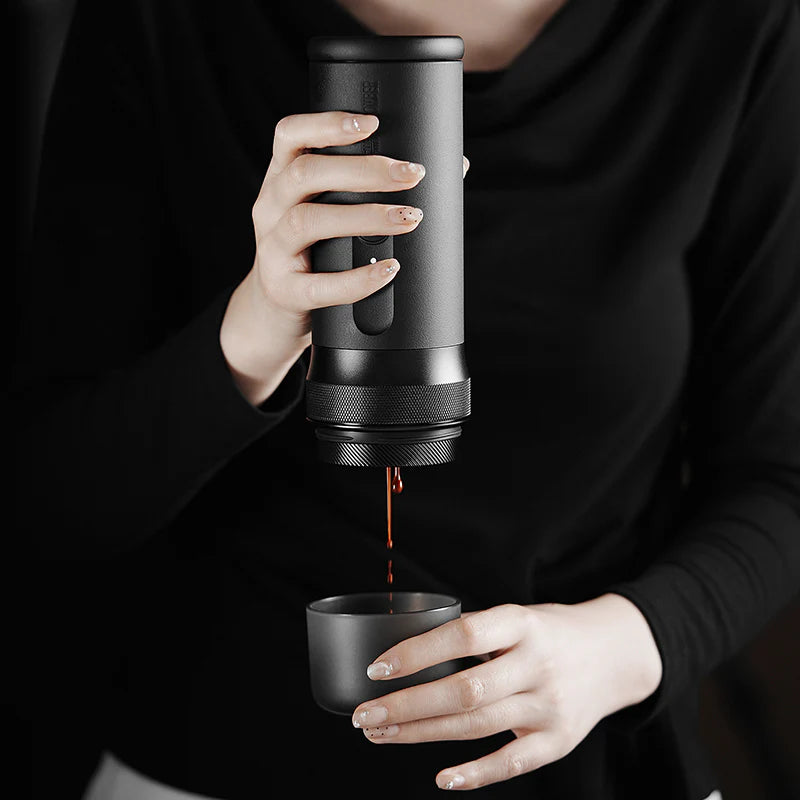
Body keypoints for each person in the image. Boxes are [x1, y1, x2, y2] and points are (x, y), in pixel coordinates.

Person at [12, 0, 800, 797]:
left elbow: (780, 476)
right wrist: (253, 329)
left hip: (592, 771)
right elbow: (52, 498)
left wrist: (627, 642)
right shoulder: (165, 21)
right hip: (214, 754)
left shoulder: (730, 26)